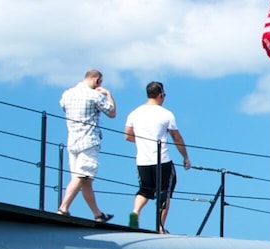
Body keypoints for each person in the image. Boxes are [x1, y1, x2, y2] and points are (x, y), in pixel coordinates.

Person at [123, 81, 191, 234]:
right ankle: (160, 226)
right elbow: (177, 138)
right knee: (165, 192)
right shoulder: (166, 114)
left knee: (144, 190)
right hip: (163, 160)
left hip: (142, 161)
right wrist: (186, 157)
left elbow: (127, 136)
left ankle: (135, 211)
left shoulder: (134, 113)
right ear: (160, 95)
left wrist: (141, 140)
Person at [56, 69, 116, 222]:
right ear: (97, 80)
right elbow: (112, 112)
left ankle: (97, 214)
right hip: (89, 141)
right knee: (81, 176)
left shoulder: (67, 94)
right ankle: (63, 208)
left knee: (85, 180)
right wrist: (107, 94)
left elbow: (62, 106)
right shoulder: (94, 95)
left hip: (73, 141)